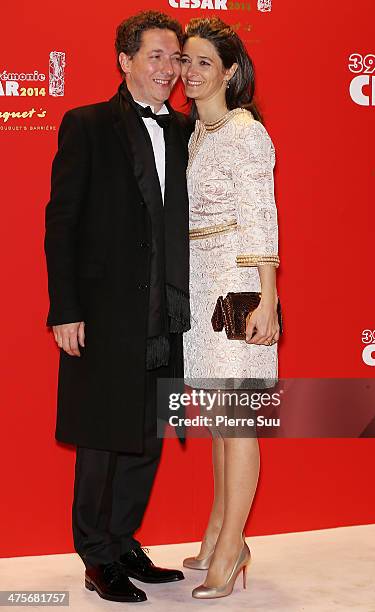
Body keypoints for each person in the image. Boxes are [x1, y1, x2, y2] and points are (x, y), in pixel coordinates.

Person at [44, 11, 192, 604]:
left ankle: (125, 541)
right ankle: (95, 554)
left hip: (166, 311)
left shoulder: (187, 130)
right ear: (125, 61)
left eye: (176, 57)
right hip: (104, 311)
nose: (168, 68)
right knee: (102, 437)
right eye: (156, 55)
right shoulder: (85, 125)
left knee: (149, 433)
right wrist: (64, 308)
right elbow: (61, 224)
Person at [180, 17, 281, 599]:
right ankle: (218, 531)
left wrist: (267, 298)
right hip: (200, 283)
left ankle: (231, 547)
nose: (190, 73)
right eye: (186, 61)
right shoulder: (199, 133)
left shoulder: (246, 131)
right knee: (220, 419)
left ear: (231, 71)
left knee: (238, 423)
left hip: (239, 285)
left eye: (204, 63)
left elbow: (262, 213)